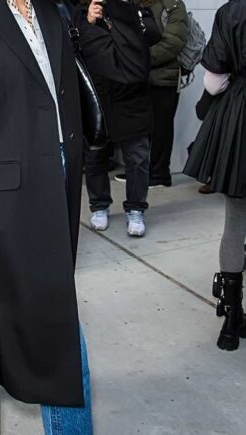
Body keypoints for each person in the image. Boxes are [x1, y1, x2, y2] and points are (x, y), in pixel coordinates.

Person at [0, 0, 149, 433]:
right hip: (4, 215)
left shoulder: (54, 15)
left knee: (52, 339)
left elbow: (129, 66)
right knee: (59, 347)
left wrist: (117, 11)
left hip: (60, 196)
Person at [184, 0, 246, 351]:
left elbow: (214, 79)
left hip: (240, 115)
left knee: (236, 220)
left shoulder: (231, 10)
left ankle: (231, 320)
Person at [84, 3, 161, 237]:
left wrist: (126, 12)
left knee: (137, 157)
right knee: (96, 155)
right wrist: (89, 20)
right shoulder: (85, 12)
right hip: (98, 94)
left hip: (132, 95)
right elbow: (75, 44)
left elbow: (154, 34)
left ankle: (136, 208)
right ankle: (99, 205)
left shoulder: (135, 9)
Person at [140, 0, 188, 187]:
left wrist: (139, 59)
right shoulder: (134, 3)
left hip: (164, 77)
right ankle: (140, 172)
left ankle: (159, 174)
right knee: (140, 128)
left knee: (161, 127)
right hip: (138, 77)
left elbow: (174, 42)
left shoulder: (173, 4)